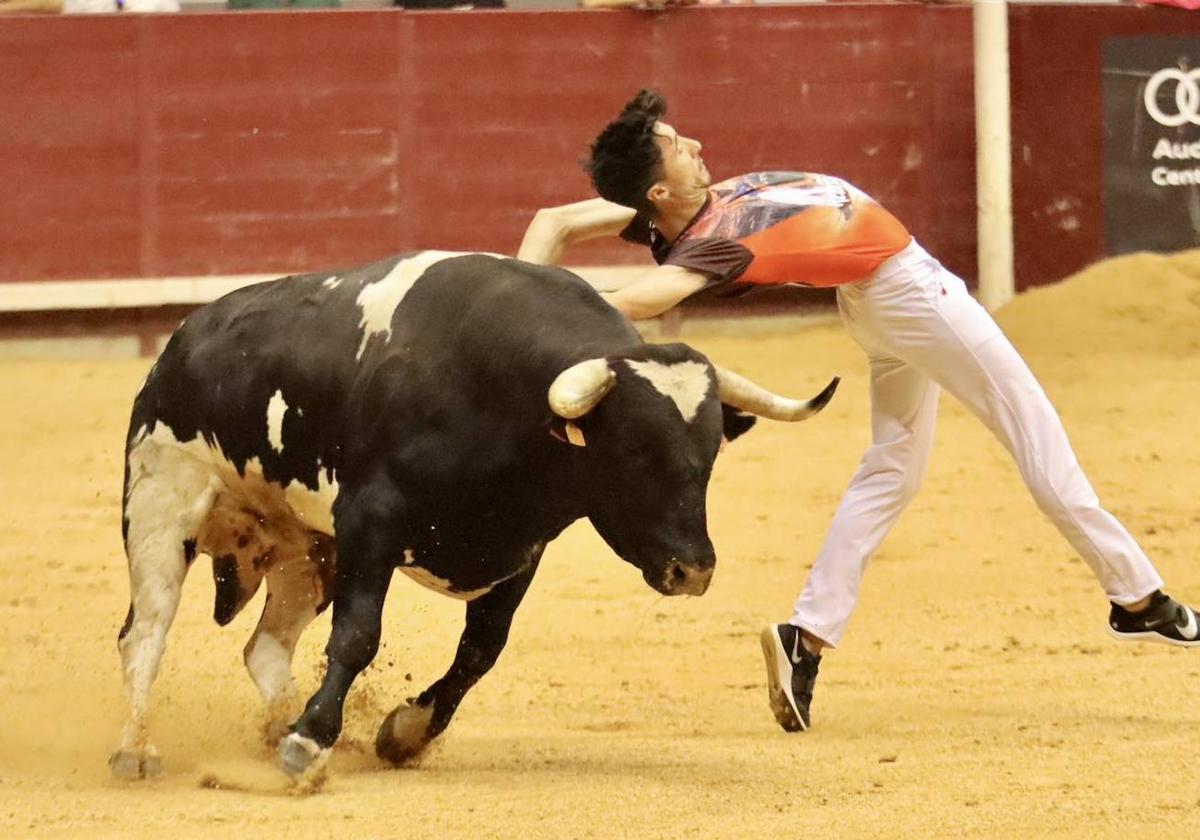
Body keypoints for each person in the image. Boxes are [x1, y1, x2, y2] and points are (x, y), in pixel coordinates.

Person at [517, 89, 1200, 733]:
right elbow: (651, 296)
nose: (694, 143)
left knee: (893, 470)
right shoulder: (712, 246)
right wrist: (541, 325)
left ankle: (804, 639)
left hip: (877, 301)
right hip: (912, 298)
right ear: (659, 189)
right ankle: (1137, 597)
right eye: (676, 145)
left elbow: (556, 221)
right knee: (1036, 438)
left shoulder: (682, 208)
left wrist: (520, 291)